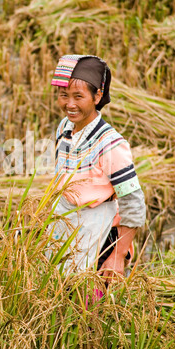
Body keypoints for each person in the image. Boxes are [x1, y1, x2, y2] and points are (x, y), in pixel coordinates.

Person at [50, 54, 146, 283]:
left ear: (97, 96)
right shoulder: (65, 127)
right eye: (64, 95)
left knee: (85, 301)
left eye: (78, 96)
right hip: (64, 223)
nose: (69, 104)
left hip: (96, 229)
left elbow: (134, 204)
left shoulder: (111, 144)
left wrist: (118, 256)